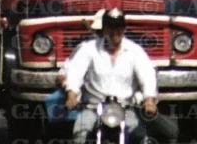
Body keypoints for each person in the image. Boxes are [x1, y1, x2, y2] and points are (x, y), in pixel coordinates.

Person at [64, 8, 158, 144]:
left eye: (118, 28)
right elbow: (75, 72)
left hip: (125, 108)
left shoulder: (135, 51)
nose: (115, 32)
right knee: (80, 136)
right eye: (110, 28)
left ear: (124, 29)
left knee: (142, 138)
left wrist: (149, 101)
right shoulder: (89, 49)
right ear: (103, 29)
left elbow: (147, 75)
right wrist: (71, 95)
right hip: (93, 107)